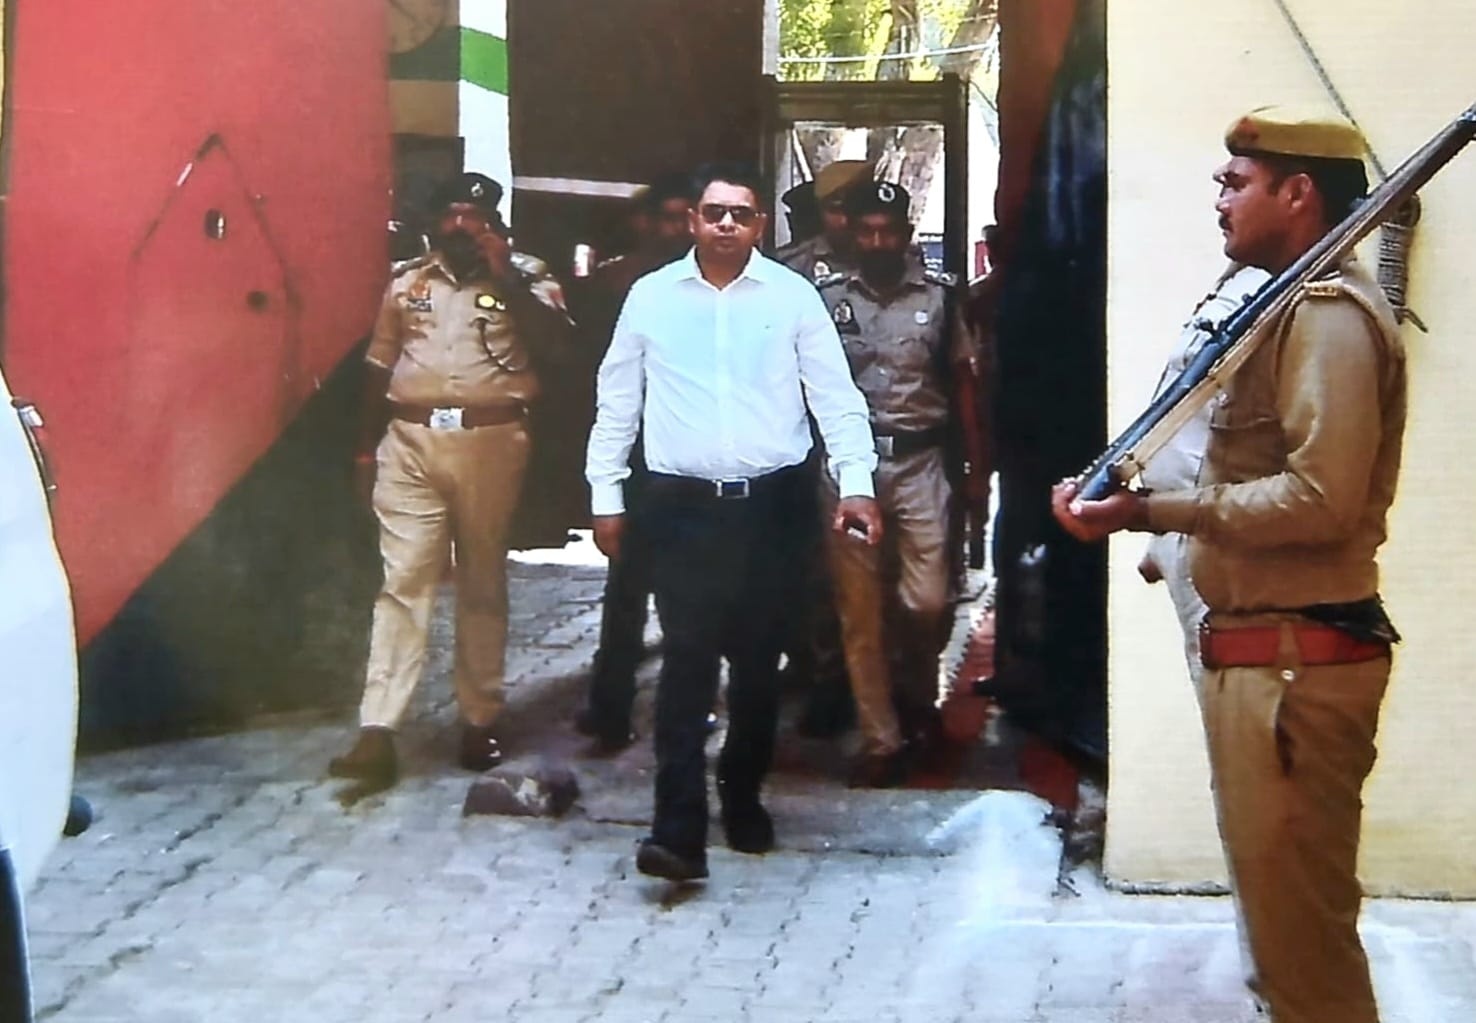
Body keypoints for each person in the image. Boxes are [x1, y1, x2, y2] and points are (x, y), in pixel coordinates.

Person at [1052, 106, 1405, 1023]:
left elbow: (1321, 500)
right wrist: (1129, 503)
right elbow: (1219, 451)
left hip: (1294, 668)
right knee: (1281, 926)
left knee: (1303, 942)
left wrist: (1153, 513)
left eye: (1237, 182)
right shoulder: (1272, 301)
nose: (1219, 195)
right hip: (1262, 656)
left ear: (1298, 193)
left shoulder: (1326, 316)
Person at [586, 162, 881, 882]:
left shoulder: (792, 297)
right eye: (713, 212)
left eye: (740, 214)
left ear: (759, 225)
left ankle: (743, 793)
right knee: (686, 662)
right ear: (693, 220)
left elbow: (835, 396)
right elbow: (617, 399)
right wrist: (606, 494)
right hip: (680, 510)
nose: (725, 224)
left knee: (757, 665)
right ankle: (676, 830)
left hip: (772, 510)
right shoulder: (651, 298)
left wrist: (857, 484)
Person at [329, 172, 572, 790]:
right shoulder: (407, 281)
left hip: (492, 440)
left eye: (474, 217)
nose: (462, 226)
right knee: (402, 581)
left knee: (483, 579)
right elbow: (379, 364)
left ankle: (480, 719)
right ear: (434, 223)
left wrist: (505, 276)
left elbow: (557, 349)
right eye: (452, 215)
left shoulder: (530, 276)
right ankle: (378, 728)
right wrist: (363, 450)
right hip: (410, 440)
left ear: (495, 225)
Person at [816, 181, 979, 787]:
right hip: (848, 468)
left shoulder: (939, 299)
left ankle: (916, 699)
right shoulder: (827, 300)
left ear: (907, 235)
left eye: (888, 231)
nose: (878, 241)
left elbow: (964, 386)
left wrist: (976, 471)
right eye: (867, 231)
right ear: (852, 234)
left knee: (925, 601)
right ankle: (880, 739)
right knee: (860, 609)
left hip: (920, 462)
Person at [572, 172, 694, 752]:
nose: (677, 229)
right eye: (668, 218)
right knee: (627, 585)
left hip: (690, 452)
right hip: (637, 454)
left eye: (684, 217)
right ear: (646, 223)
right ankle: (611, 705)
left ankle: (683, 703)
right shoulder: (617, 284)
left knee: (685, 591)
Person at [774, 159, 872, 282]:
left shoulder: (890, 256)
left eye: (855, 210)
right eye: (835, 210)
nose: (845, 221)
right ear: (821, 211)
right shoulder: (792, 265)